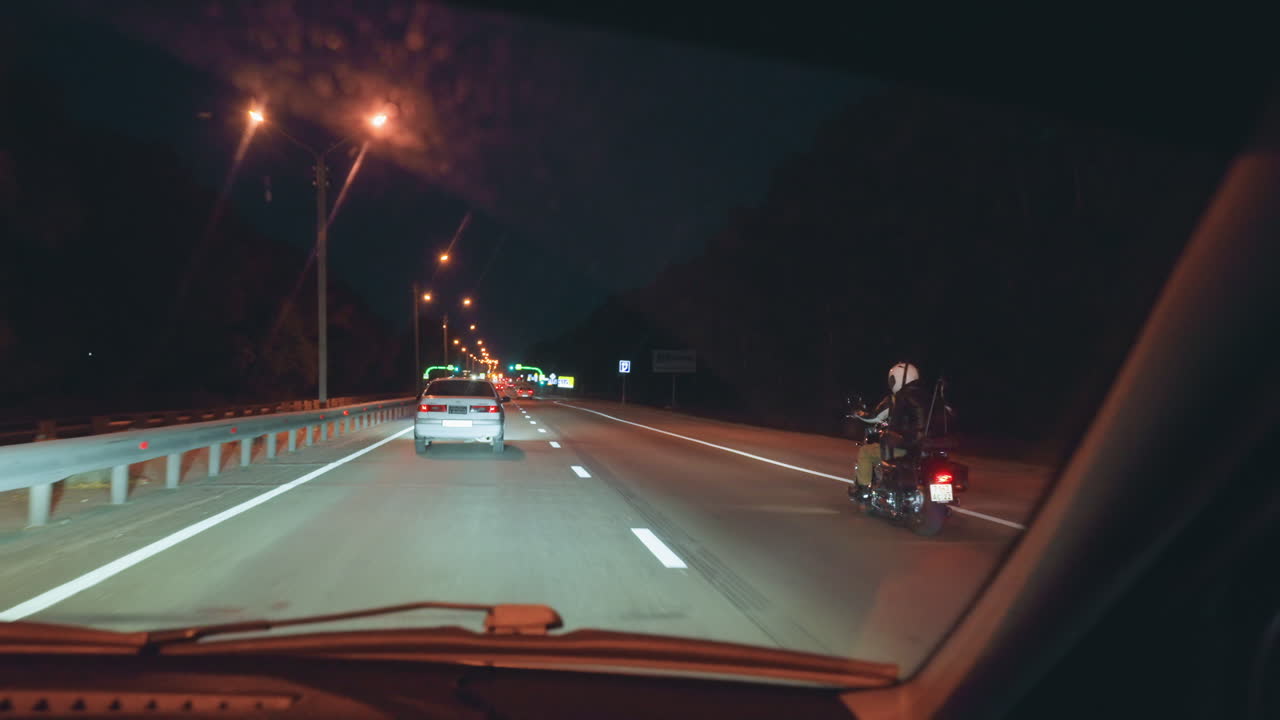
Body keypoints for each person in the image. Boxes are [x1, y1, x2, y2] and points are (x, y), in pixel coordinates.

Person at [852, 361, 929, 497]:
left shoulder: (897, 399)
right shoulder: (929, 397)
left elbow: (874, 417)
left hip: (904, 448)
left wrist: (858, 414)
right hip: (926, 450)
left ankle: (863, 490)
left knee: (865, 451)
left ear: (898, 379)